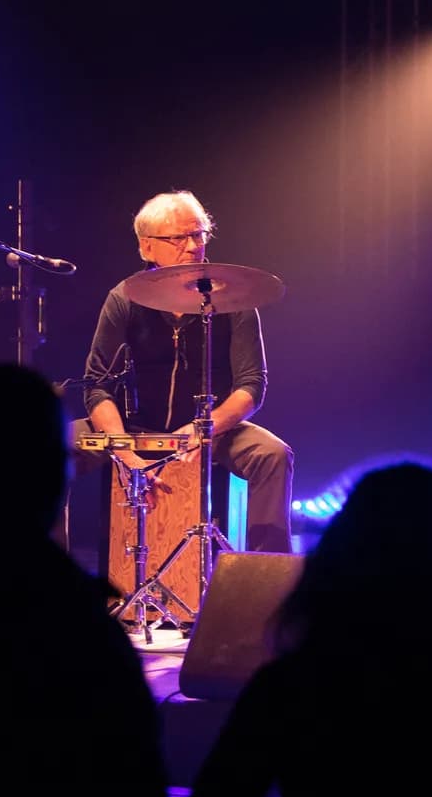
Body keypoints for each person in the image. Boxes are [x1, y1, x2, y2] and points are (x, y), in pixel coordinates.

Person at [82, 190, 295, 555]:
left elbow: (251, 385)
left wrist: (203, 429)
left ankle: (265, 583)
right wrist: (122, 450)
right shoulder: (124, 298)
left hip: (210, 429)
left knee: (273, 456)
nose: (194, 245)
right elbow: (97, 386)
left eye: (199, 234)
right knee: (48, 448)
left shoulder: (233, 298)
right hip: (132, 429)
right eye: (180, 237)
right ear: (147, 247)